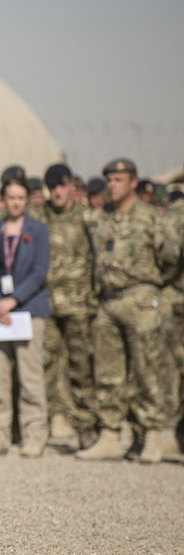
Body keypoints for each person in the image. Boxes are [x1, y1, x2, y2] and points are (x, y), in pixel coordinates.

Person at [76, 158, 181, 464]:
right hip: (108, 301)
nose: (112, 185)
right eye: (108, 180)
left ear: (133, 183)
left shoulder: (151, 218)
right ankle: (110, 435)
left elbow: (171, 259)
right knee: (108, 373)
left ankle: (151, 436)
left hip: (140, 299)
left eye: (118, 180)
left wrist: (156, 287)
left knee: (147, 371)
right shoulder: (101, 218)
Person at [0, 174, 51, 457]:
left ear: (27, 200)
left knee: (30, 379)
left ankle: (34, 435)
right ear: (2, 199)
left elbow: (39, 272)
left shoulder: (38, 230)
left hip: (28, 312)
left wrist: (13, 299)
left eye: (21, 197)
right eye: (11, 197)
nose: (16, 203)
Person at [32, 164, 96, 448]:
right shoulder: (38, 217)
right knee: (43, 367)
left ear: (72, 186)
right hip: (45, 305)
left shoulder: (87, 218)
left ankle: (85, 426)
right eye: (52, 186)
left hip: (79, 306)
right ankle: (40, 428)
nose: (57, 191)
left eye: (61, 185)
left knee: (81, 368)